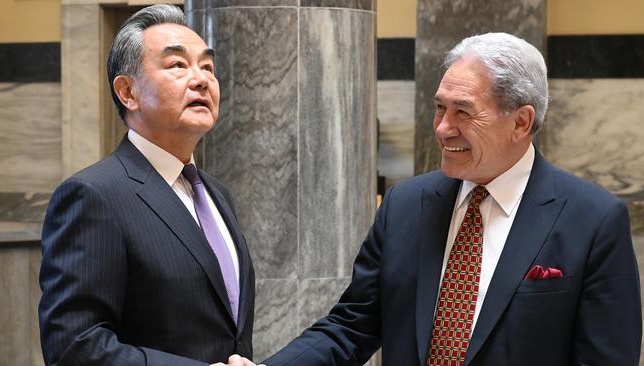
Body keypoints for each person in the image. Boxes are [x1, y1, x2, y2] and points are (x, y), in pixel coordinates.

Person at [239, 32, 642, 365]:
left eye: (463, 113)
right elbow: (354, 324)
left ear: (521, 121)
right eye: (439, 108)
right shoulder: (406, 205)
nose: (443, 128)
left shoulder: (592, 220)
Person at [38, 4, 255, 366]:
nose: (201, 79)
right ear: (128, 92)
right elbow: (73, 346)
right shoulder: (94, 195)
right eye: (177, 65)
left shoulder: (217, 195)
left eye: (208, 67)